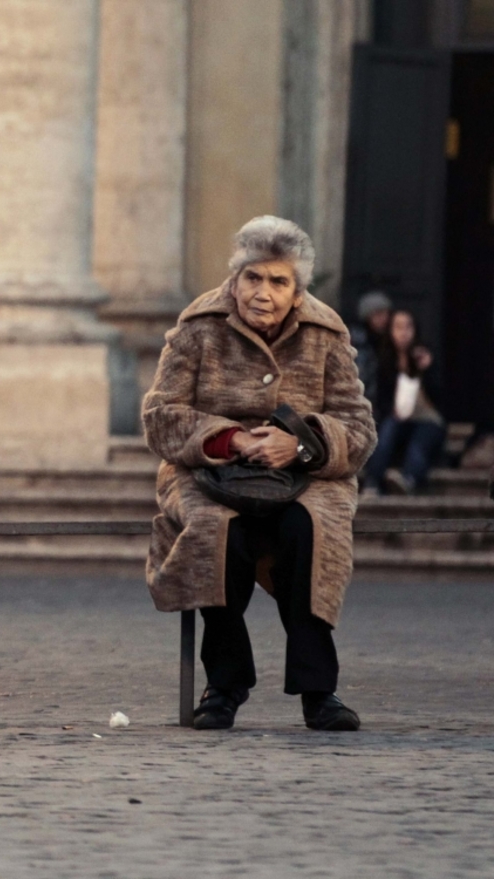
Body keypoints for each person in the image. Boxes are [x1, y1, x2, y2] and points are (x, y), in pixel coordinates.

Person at [142, 216, 376, 732]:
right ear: (235, 279)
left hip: (309, 475)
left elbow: (359, 428)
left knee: (309, 530)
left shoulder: (326, 333)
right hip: (207, 471)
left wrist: (300, 445)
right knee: (215, 533)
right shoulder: (198, 326)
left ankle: (320, 692)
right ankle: (224, 685)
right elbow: (159, 416)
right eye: (253, 278)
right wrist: (233, 439)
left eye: (278, 281)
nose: (262, 292)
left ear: (297, 293)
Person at [363, 309, 445, 496]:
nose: (403, 332)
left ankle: (408, 479)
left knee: (420, 443)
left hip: (426, 417)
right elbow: (382, 399)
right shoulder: (385, 361)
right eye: (398, 327)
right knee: (386, 432)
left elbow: (439, 397)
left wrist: (427, 370)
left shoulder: (425, 356)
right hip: (397, 418)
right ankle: (373, 482)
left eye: (408, 327)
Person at [350, 290, 391, 409]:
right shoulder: (357, 341)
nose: (384, 318)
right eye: (378, 314)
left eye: (386, 313)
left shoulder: (388, 339)